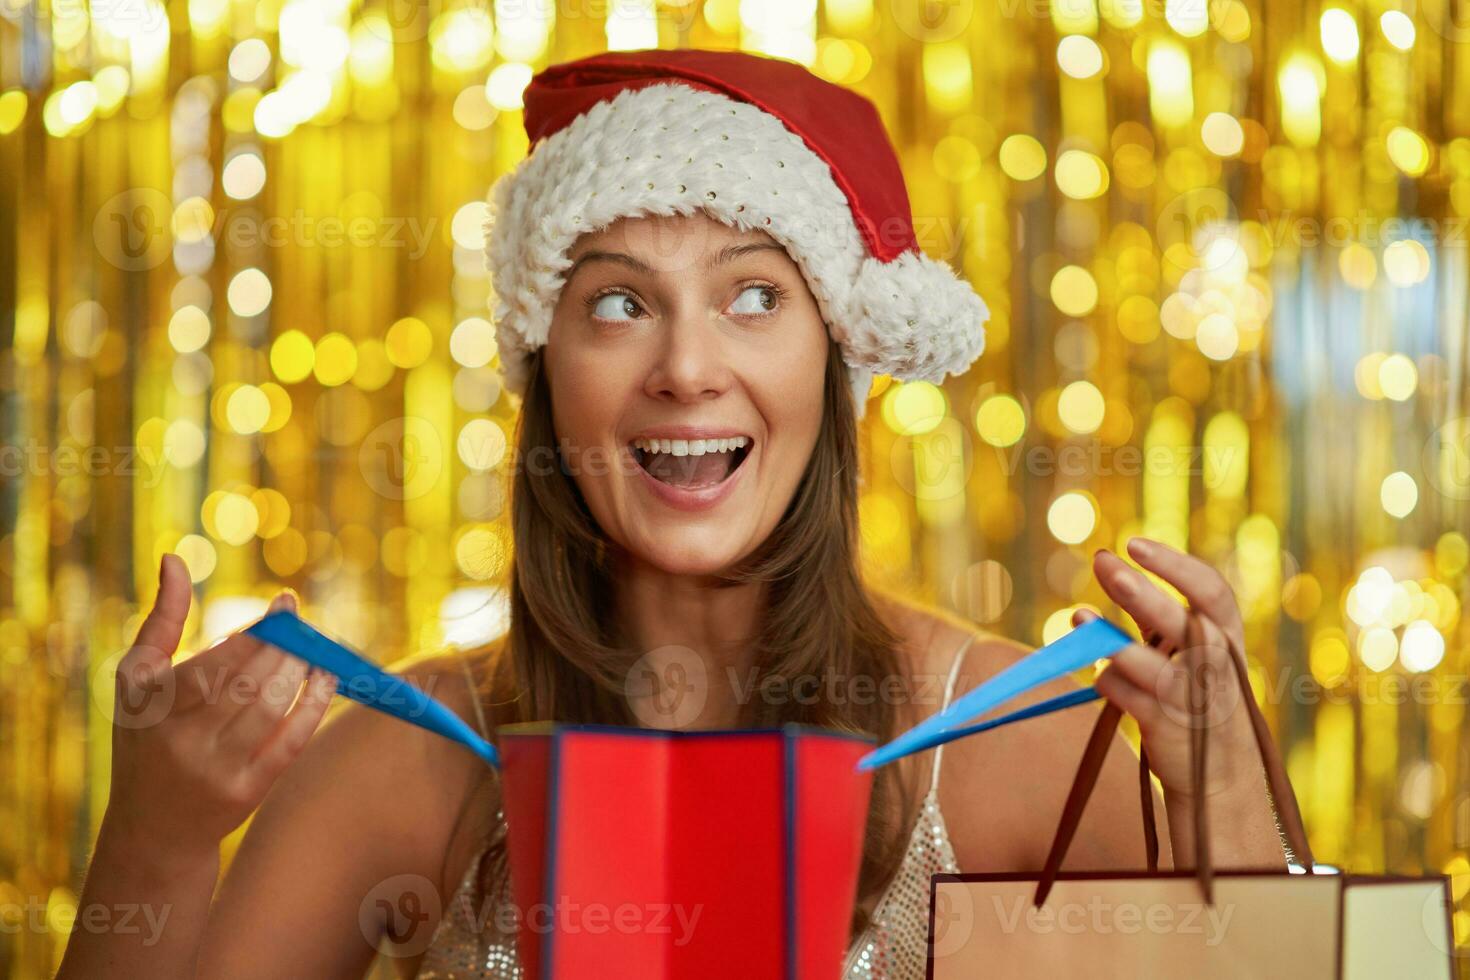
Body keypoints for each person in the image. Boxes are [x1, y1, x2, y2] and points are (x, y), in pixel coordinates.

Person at [58, 49, 1286, 980]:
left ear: (834, 359)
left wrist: (1228, 802)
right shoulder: (408, 756)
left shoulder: (1020, 742)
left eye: (753, 294)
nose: (687, 367)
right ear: (546, 378)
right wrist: (156, 836)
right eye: (616, 305)